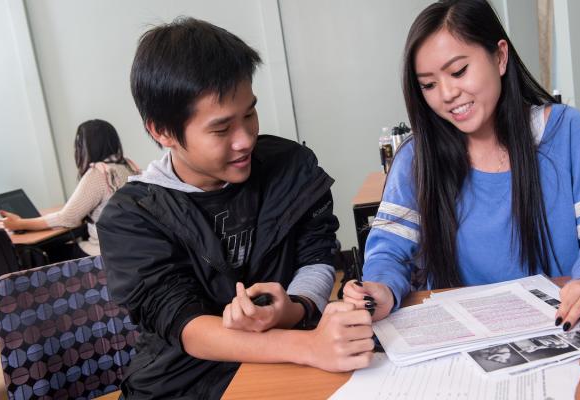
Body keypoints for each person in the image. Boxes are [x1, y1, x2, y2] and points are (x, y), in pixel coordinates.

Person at [96, 18, 374, 399]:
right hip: (185, 383)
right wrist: (308, 346)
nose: (245, 139)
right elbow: (187, 326)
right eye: (221, 129)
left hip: (289, 366)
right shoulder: (134, 215)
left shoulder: (290, 166)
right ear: (162, 131)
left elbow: (317, 256)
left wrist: (293, 308)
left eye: (250, 115)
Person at [344, 0, 580, 332]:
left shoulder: (565, 131)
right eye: (428, 84)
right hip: (458, 343)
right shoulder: (416, 157)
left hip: (560, 329)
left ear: (500, 56)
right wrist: (379, 288)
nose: (448, 93)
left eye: (458, 71)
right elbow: (390, 253)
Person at [0, 119, 138, 260]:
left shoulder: (100, 173)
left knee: (39, 254)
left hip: (104, 253)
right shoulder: (128, 166)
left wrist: (20, 223)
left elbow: (67, 218)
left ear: (85, 147)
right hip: (130, 247)